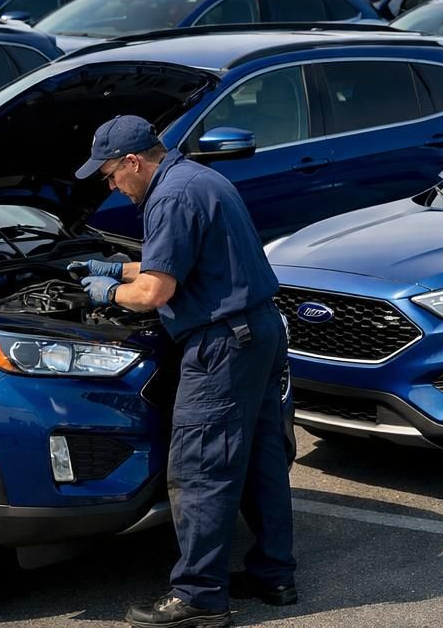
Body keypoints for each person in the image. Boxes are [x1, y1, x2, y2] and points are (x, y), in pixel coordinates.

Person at [72, 116, 295, 627]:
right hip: (258, 330)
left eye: (110, 175)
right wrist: (113, 268)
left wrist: (110, 292)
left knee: (201, 467)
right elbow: (174, 259)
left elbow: (154, 292)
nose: (112, 187)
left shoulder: (169, 197)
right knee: (260, 459)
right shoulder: (196, 179)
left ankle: (199, 597)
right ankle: (274, 574)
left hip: (222, 345)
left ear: (133, 161)